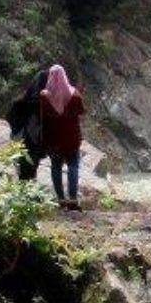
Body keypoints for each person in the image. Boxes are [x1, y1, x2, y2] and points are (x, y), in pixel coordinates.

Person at [40, 63, 85, 210]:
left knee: (56, 167)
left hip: (53, 139)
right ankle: (72, 200)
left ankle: (60, 200)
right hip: (72, 138)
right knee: (73, 166)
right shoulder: (75, 95)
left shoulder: (44, 97)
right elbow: (81, 112)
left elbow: (42, 118)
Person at [5, 67, 50, 182]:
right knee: (27, 169)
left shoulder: (24, 100)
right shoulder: (41, 102)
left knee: (24, 168)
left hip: (24, 142)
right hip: (31, 143)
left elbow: (11, 118)